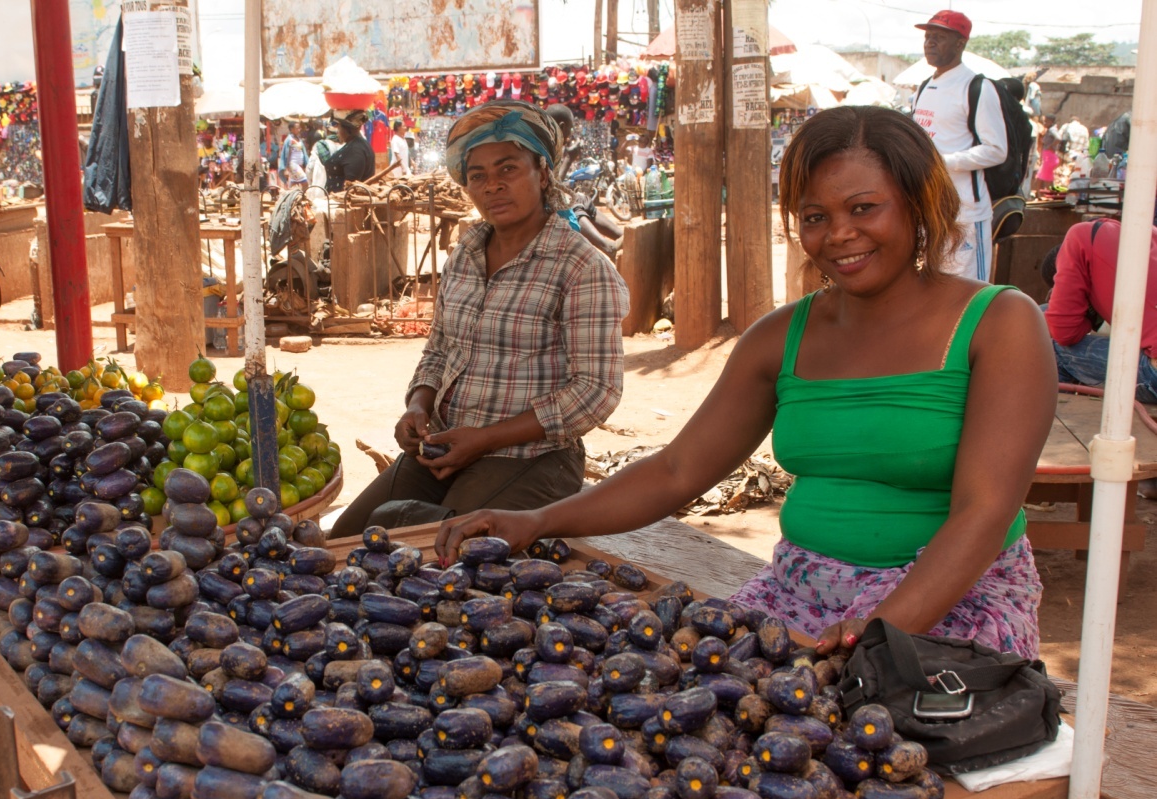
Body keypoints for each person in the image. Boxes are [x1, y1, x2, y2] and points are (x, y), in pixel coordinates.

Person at [438, 106, 1055, 674]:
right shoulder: (781, 336)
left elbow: (984, 512)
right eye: (815, 217)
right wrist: (538, 520)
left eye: (864, 208)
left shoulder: (999, 323)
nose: (839, 234)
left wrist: (877, 633)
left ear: (919, 204)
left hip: (949, 602)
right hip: (798, 593)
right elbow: (676, 472)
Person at [328, 99, 627, 538]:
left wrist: (485, 439)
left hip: (532, 457)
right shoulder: (465, 255)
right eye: (478, 175)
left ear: (543, 173)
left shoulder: (582, 267)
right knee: (346, 540)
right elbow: (440, 349)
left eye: (508, 169)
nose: (493, 186)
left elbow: (596, 391)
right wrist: (418, 405)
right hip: (445, 446)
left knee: (444, 550)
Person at [910, 10, 1008, 282]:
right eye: (928, 37)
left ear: (960, 43)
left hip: (966, 213)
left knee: (969, 290)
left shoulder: (977, 87)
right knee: (934, 286)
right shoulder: (924, 88)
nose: (930, 43)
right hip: (930, 208)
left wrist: (943, 162)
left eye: (939, 37)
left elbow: (996, 150)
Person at [1041, 218, 1157, 404]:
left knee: (1047, 345)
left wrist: (1086, 316)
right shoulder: (1143, 233)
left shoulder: (1079, 237)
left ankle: (1064, 417)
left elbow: (1063, 332)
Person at [544, 103, 624, 258]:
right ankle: (607, 246)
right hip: (539, 207)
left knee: (582, 199)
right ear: (561, 126)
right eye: (569, 129)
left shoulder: (550, 144)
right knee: (573, 205)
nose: (569, 134)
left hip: (545, 199)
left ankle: (622, 236)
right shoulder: (543, 147)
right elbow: (551, 187)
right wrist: (569, 159)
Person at [323, 112, 374, 192]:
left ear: (346, 128)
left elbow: (351, 187)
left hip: (343, 199)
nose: (337, 132)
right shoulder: (359, 145)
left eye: (339, 127)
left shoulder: (355, 150)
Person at [279, 121, 307, 188]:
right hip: (293, 164)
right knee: (305, 181)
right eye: (297, 128)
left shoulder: (299, 139)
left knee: (294, 183)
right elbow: (287, 154)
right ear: (291, 129)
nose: (299, 130)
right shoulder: (289, 140)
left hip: (299, 165)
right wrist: (286, 167)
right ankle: (304, 194)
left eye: (299, 128)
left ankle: (290, 194)